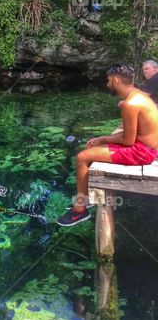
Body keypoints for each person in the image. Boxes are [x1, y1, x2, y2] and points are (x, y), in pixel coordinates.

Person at [57, 63, 158, 226]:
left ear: (116, 80)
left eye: (108, 80)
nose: (107, 84)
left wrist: (103, 139)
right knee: (90, 151)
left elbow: (128, 141)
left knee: (82, 157)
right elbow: (130, 134)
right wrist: (102, 139)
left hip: (142, 152)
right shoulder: (138, 95)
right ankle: (87, 198)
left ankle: (80, 210)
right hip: (147, 146)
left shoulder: (129, 104)